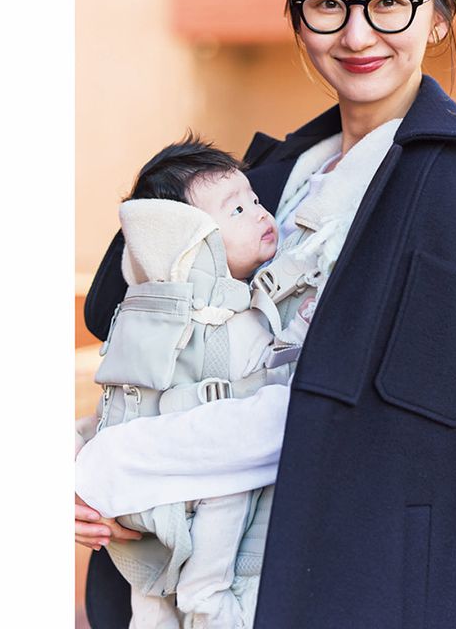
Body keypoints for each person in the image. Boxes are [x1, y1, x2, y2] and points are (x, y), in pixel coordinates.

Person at [76, 0, 456, 627]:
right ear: (298, 19)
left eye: (389, 2)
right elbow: (129, 329)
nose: (357, 34)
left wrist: (115, 467)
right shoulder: (255, 183)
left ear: (438, 17)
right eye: (328, 4)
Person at [76, 134, 316, 629]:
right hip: (145, 519)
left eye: (255, 201)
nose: (261, 214)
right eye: (238, 211)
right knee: (154, 596)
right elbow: (117, 402)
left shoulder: (252, 306)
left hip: (208, 522)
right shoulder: (157, 319)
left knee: (189, 587)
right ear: (185, 240)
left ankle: (203, 602)